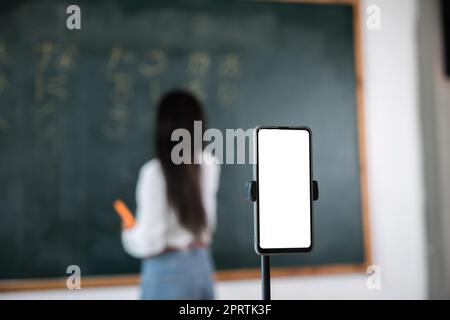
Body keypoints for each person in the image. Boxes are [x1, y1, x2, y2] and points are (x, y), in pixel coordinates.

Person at [121, 90, 220, 300]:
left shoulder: (155, 173)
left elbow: (151, 242)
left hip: (167, 272)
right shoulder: (209, 164)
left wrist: (129, 233)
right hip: (202, 266)